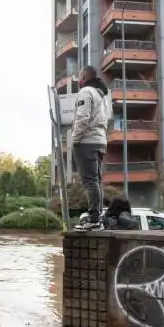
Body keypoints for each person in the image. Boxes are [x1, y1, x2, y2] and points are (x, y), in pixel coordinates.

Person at [72, 65, 112, 231]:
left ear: (85, 76)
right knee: (96, 181)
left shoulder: (86, 92)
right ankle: (98, 219)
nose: (79, 79)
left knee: (90, 182)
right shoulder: (103, 95)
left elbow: (83, 117)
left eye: (80, 75)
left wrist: (75, 139)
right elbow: (108, 118)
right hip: (100, 141)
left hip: (87, 141)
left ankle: (94, 219)